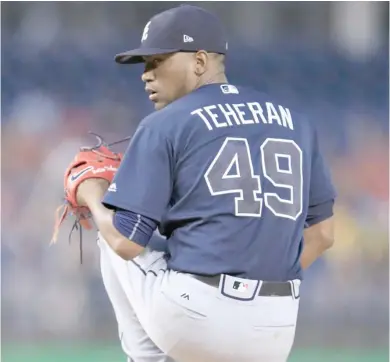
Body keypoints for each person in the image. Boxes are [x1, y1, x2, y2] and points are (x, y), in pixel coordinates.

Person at [75, 4, 336, 362]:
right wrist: (257, 289)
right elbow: (323, 236)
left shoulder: (165, 123)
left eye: (157, 61)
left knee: (113, 236)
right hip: (277, 329)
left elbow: (125, 242)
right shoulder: (296, 122)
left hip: (197, 321)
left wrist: (91, 194)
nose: (146, 75)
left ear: (199, 62)